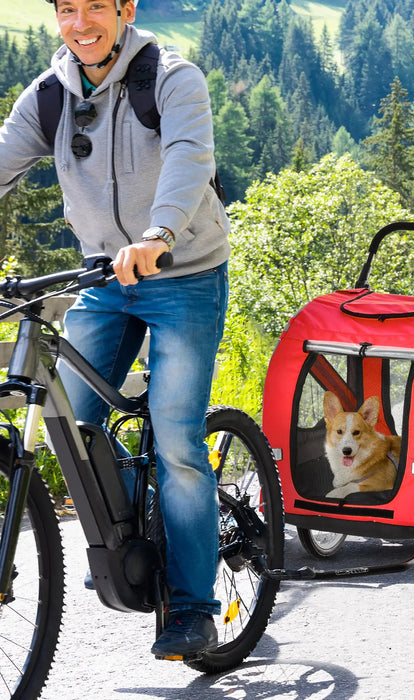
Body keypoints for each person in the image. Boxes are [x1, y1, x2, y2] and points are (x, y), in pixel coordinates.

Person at [0, 0, 230, 658]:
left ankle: (193, 606)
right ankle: (157, 518)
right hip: (103, 280)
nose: (81, 23)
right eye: (66, 9)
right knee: (73, 426)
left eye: (95, 6)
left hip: (183, 274)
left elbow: (188, 162)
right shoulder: (50, 96)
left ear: (125, 9)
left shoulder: (171, 79)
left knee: (179, 445)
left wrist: (158, 235)